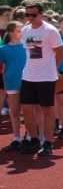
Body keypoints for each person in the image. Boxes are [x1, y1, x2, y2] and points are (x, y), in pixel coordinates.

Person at [17, 2, 63, 156]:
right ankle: (34, 139)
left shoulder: (50, 31)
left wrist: (52, 70)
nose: (30, 17)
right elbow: (30, 53)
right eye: (27, 14)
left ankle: (48, 142)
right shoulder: (25, 30)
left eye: (33, 14)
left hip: (46, 77)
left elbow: (60, 53)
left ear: (41, 14)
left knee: (47, 109)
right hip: (28, 76)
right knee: (26, 108)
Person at [1, 22, 27, 151]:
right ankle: (17, 137)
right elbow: (4, 68)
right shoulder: (3, 49)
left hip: (28, 81)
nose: (22, 33)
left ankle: (29, 137)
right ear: (11, 33)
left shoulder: (27, 47)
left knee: (28, 111)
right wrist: (5, 86)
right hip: (12, 82)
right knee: (15, 112)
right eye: (19, 31)